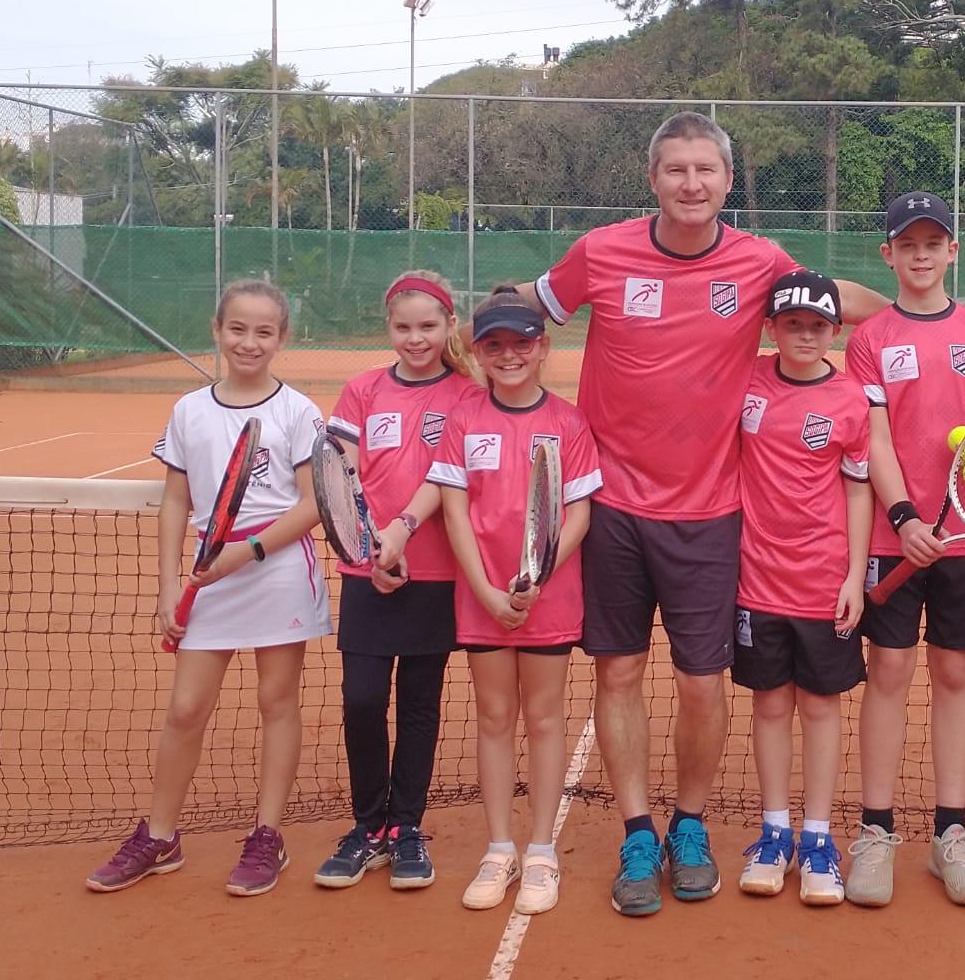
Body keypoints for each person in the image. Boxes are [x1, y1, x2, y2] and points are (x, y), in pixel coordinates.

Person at [516, 112, 886, 917]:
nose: (691, 183)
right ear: (653, 178)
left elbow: (836, 301)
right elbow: (531, 307)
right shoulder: (603, 252)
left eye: (705, 171)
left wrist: (908, 304)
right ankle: (637, 831)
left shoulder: (760, 262)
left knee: (700, 683)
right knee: (616, 672)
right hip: (610, 506)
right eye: (676, 170)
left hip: (711, 514)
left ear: (726, 180)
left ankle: (689, 824)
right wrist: (452, 324)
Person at [86, 278, 330, 897]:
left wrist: (248, 552)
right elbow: (176, 499)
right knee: (186, 709)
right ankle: (161, 835)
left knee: (278, 704)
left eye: (264, 332)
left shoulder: (298, 411)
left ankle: (267, 835)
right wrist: (169, 584)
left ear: (282, 339)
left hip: (275, 570)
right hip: (207, 573)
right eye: (238, 329)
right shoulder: (189, 410)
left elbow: (312, 506)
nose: (250, 342)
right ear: (216, 331)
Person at [842, 192, 965, 908]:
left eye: (932, 241)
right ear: (887, 254)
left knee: (954, 677)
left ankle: (951, 835)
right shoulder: (870, 339)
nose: (919, 253)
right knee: (887, 675)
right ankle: (876, 832)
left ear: (953, 250)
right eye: (905, 243)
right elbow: (872, 437)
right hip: (894, 538)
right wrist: (907, 515)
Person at [429, 286, 602, 915]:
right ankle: (498, 847)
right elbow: (454, 512)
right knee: (495, 719)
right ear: (477, 352)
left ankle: (540, 852)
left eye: (521, 343)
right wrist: (485, 590)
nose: (508, 355)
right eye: (494, 345)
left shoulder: (567, 421)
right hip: (482, 600)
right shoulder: (463, 419)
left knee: (545, 719)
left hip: (548, 599)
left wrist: (538, 573)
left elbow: (577, 510)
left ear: (543, 348)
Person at [313, 271, 478, 892]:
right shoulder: (361, 390)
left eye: (428, 326)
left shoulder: (467, 392)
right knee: (360, 700)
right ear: (388, 327)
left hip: (435, 572)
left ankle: (404, 828)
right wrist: (370, 545)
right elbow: (338, 474)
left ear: (448, 325)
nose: (416, 338)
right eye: (404, 327)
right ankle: (366, 826)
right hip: (366, 569)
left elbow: (447, 475)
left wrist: (403, 533)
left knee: (418, 706)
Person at [733, 270, 871, 907]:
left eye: (819, 326)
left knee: (819, 707)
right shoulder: (748, 380)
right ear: (771, 329)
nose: (806, 335)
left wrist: (853, 575)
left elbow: (857, 488)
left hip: (822, 583)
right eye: (793, 324)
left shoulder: (849, 400)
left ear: (835, 332)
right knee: (768, 706)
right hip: (756, 581)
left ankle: (818, 838)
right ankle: (774, 832)